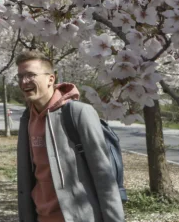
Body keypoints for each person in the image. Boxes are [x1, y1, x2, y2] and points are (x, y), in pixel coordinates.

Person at [15, 50, 124, 222]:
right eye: (20, 76)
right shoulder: (26, 118)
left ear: (51, 79)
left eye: (30, 75)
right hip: (40, 216)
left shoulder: (78, 113)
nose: (24, 82)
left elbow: (103, 175)